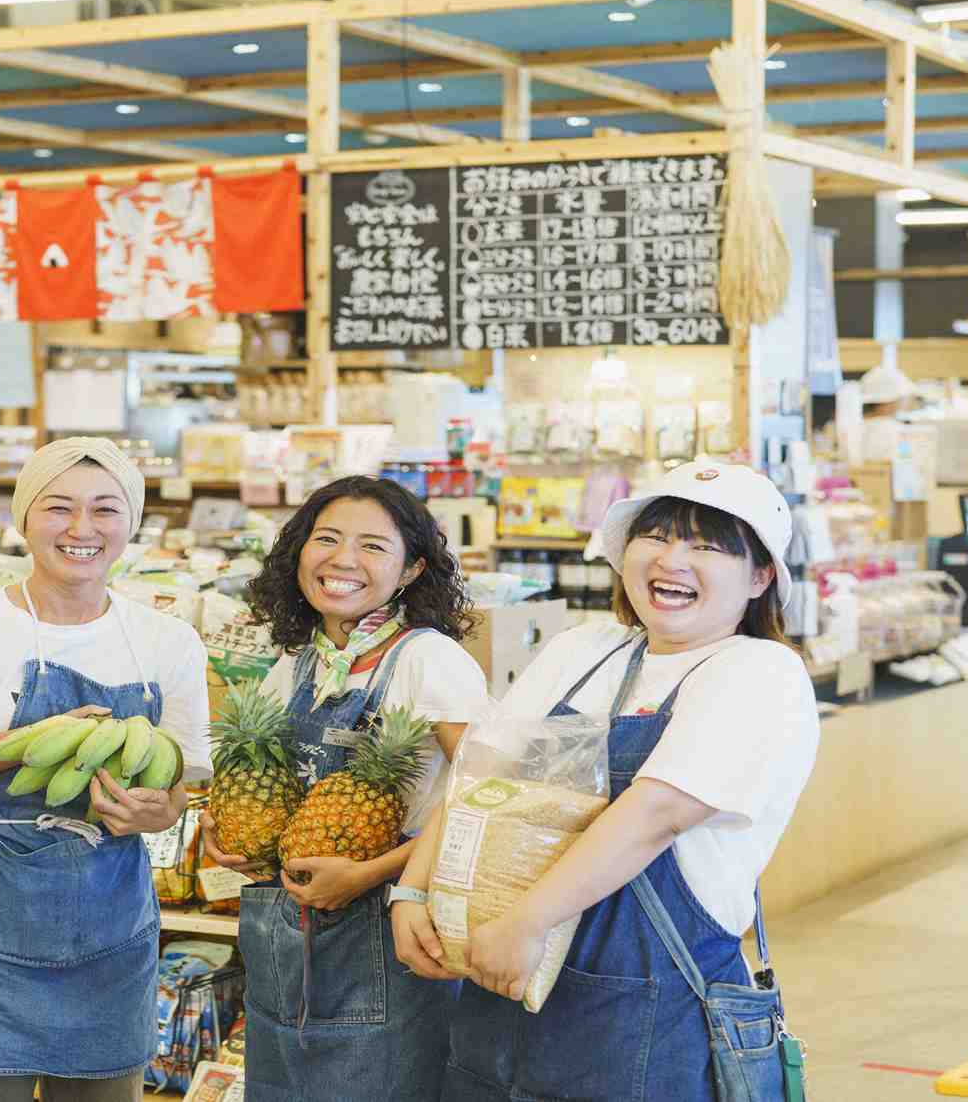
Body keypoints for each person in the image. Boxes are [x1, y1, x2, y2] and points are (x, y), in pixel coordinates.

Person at [394, 461, 818, 1102]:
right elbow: (483, 772)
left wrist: (528, 922)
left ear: (760, 577)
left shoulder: (761, 674)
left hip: (643, 1010)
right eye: (657, 537)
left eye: (706, 546)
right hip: (502, 982)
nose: (672, 560)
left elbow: (655, 814)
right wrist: (413, 891)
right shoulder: (585, 649)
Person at [0, 437, 210, 1102]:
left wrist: (160, 810)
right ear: (23, 518)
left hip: (109, 930)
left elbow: (179, 782)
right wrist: (23, 742)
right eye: (58, 507)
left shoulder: (165, 640)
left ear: (132, 521)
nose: (81, 528)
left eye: (105, 509)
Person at [204, 474, 487, 1102]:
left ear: (412, 569)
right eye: (325, 538)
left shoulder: (427, 660)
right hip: (283, 933)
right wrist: (224, 827)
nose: (343, 561)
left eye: (374, 547)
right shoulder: (297, 660)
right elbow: (265, 776)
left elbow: (483, 797)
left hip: (388, 932)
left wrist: (371, 873)